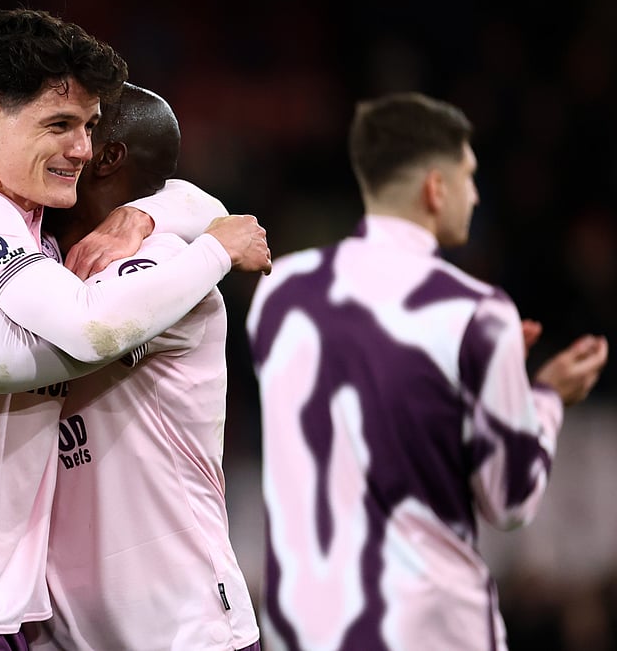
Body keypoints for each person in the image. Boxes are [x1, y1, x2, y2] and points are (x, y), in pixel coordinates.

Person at [0, 7, 270, 650]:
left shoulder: (58, 244)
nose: (82, 149)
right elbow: (45, 345)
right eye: (61, 125)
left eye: (90, 130)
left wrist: (155, 218)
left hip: (156, 624)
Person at [244, 92, 609, 650]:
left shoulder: (280, 291)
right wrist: (545, 397)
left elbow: (370, 399)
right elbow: (509, 501)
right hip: (430, 627)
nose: (477, 193)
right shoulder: (478, 313)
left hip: (304, 627)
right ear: (436, 188)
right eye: (469, 175)